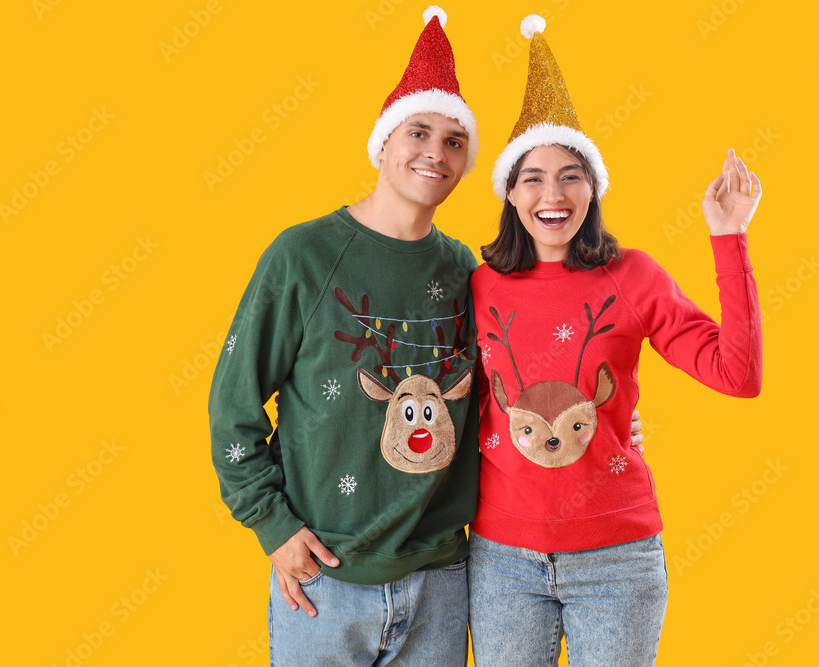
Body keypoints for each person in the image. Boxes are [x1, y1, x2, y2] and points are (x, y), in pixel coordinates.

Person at [467, 15, 763, 666]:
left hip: (616, 559)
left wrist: (727, 235)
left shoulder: (632, 276)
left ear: (593, 188)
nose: (554, 193)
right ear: (510, 193)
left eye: (571, 174)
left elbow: (737, 373)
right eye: (534, 176)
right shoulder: (478, 286)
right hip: (501, 561)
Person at [209, 7, 482, 665]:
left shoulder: (468, 271)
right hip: (325, 580)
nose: (435, 153)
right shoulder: (302, 256)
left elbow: (513, 388)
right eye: (419, 131)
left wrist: (613, 420)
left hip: (444, 581)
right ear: (384, 143)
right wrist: (274, 527)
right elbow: (233, 407)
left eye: (454, 141)